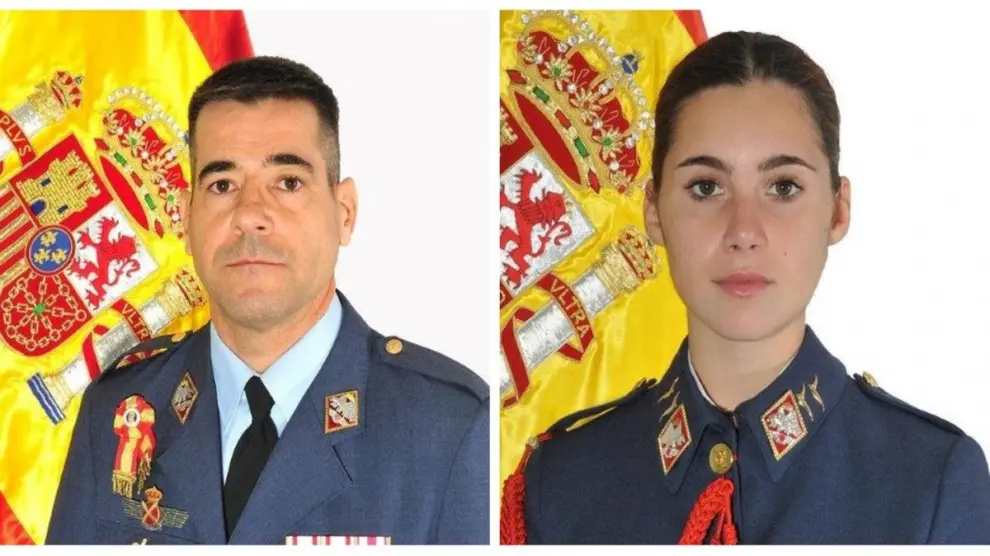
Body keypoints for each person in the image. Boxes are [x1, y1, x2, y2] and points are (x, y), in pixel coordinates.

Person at [500, 31, 990, 544]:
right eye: (706, 187)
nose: (743, 232)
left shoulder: (929, 483)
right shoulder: (561, 483)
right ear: (655, 212)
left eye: (783, 187)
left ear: (838, 210)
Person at [46, 56, 489, 545]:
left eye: (288, 182)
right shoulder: (117, 410)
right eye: (222, 185)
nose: (250, 214)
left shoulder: (449, 428)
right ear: (187, 219)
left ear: (344, 213)